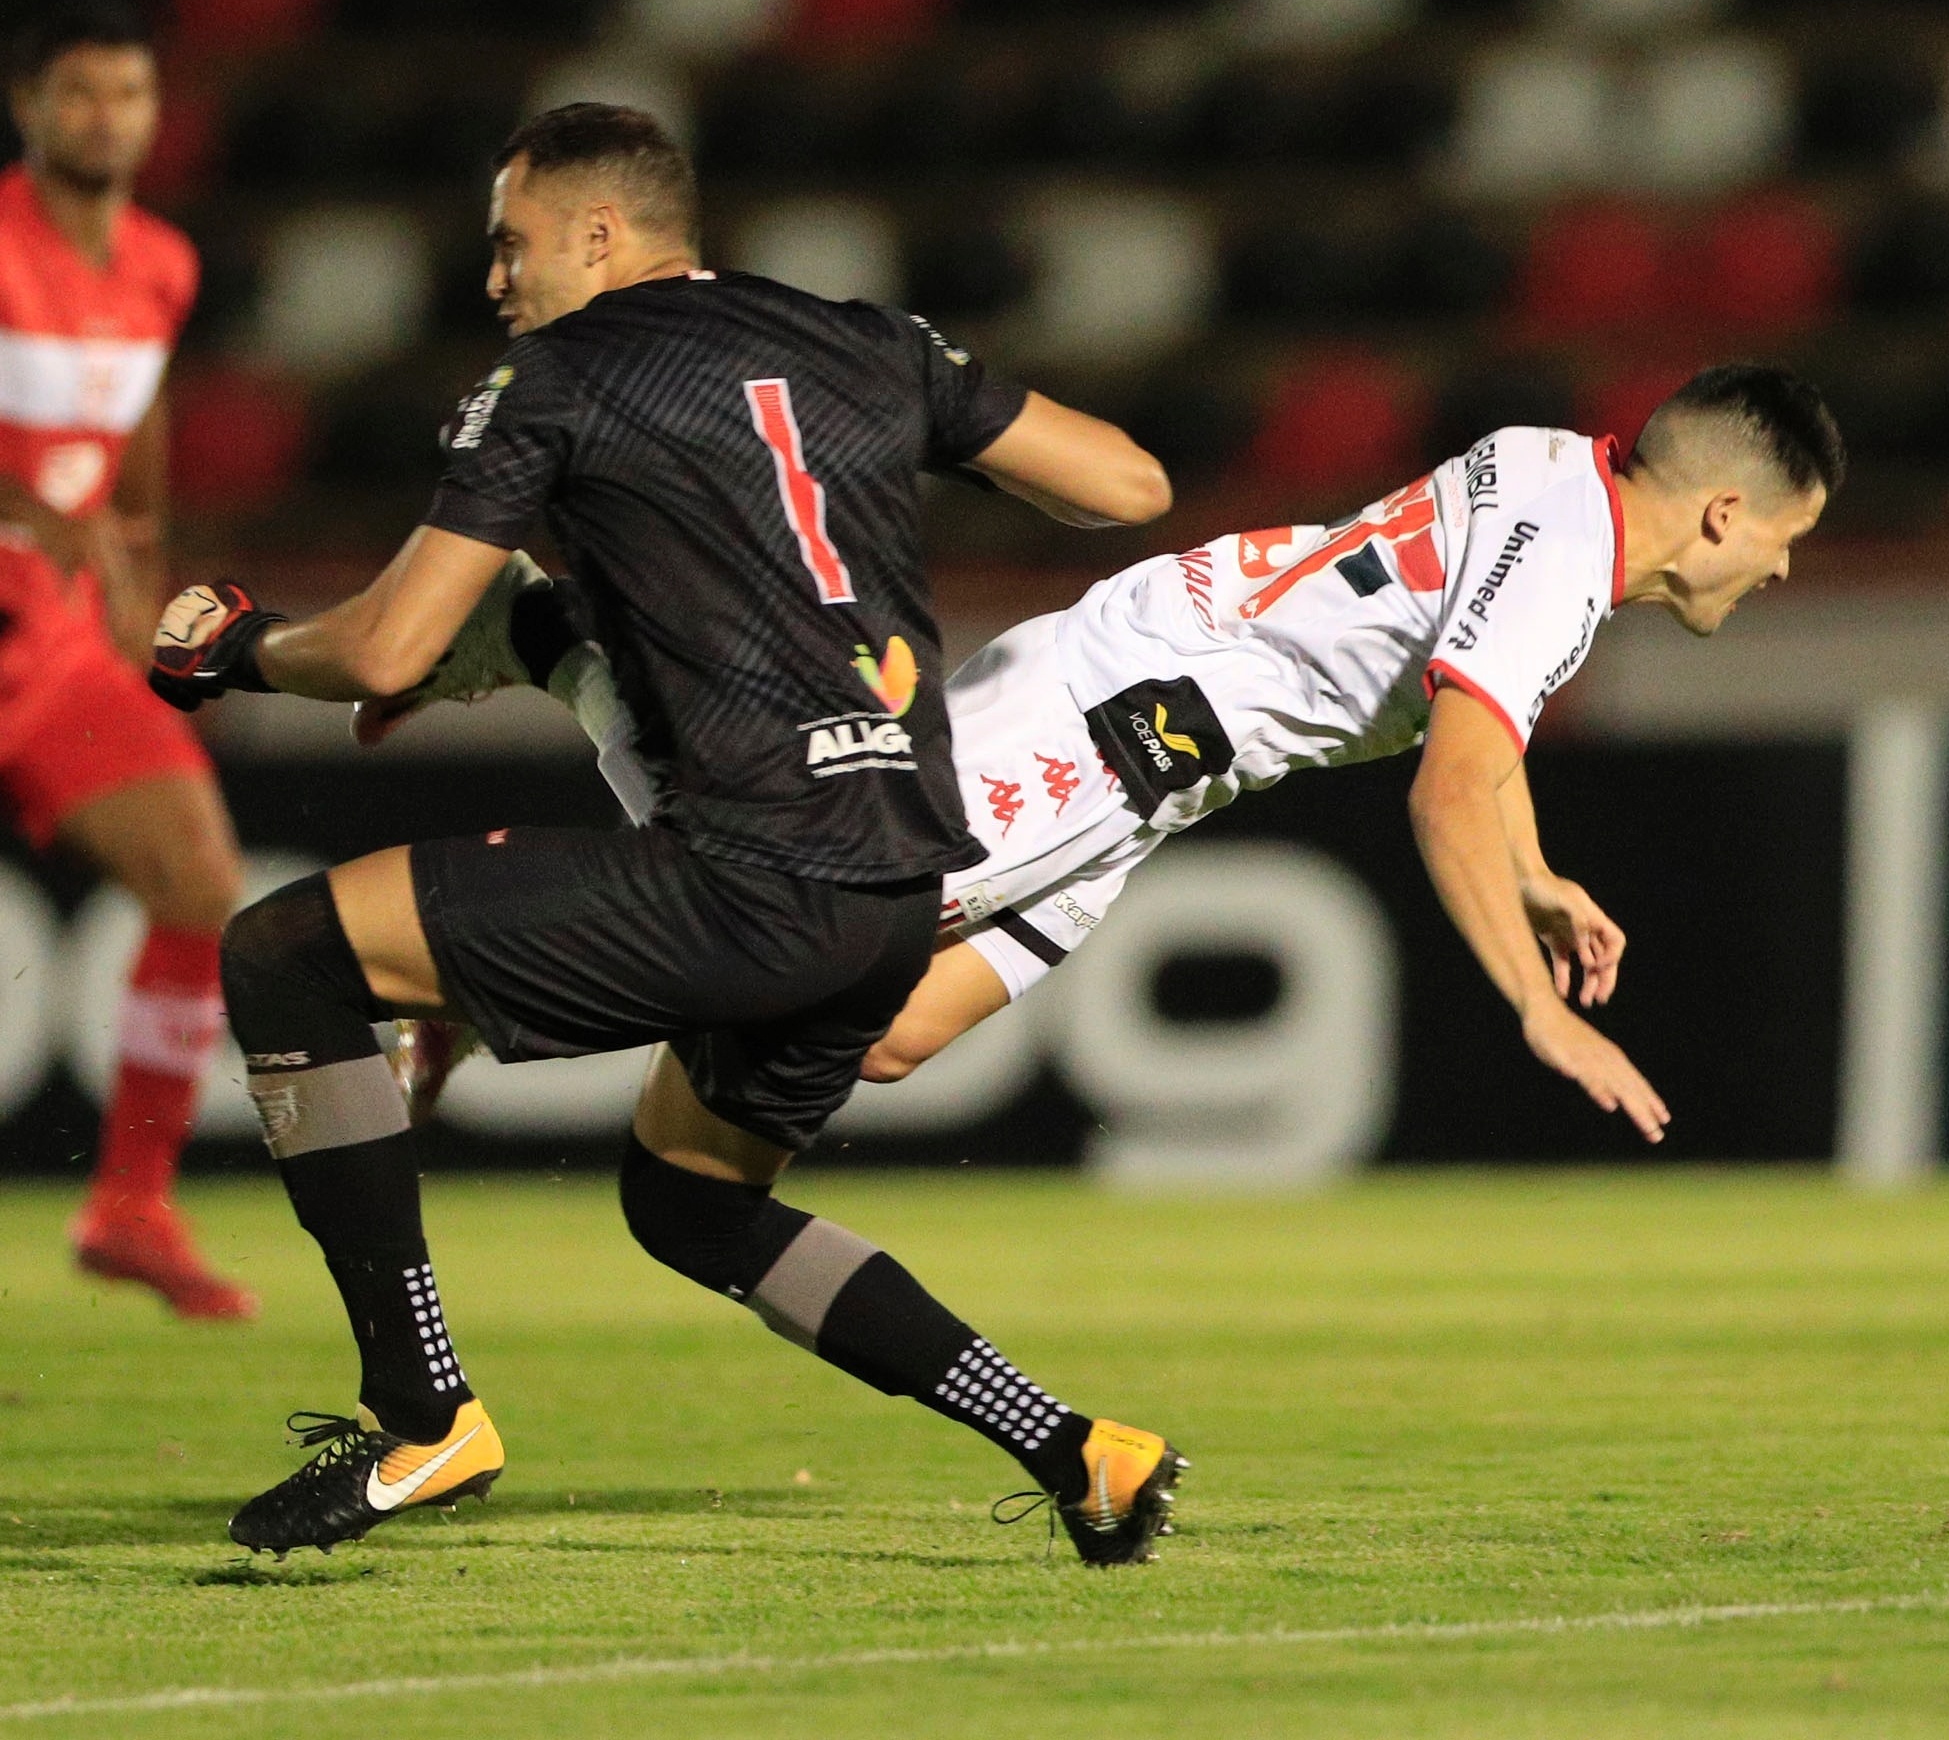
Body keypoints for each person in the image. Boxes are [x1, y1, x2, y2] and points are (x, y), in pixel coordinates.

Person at [148, 103, 1190, 1568]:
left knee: (285, 952)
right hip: (898, 884)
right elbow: (1129, 485)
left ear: (597, 233)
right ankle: (1078, 1449)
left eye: (511, 244)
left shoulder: (558, 374)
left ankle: (420, 1408)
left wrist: (239, 649)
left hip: (753, 872)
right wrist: (896, 442)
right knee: (691, 1200)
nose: (495, 279)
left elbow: (388, 648)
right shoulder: (867, 339)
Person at [423, 364, 1843, 1142]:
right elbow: (1451, 777)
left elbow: (1482, 721)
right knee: (789, 904)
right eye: (1790, 538)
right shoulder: (1570, 562)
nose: (1784, 575)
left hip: (1159, 755)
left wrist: (1529, 871)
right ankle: (554, 671)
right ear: (1723, 511)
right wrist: (1534, 1001)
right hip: (1119, 715)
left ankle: (562, 691)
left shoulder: (1561, 473)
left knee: (897, 1030)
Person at [0, 1, 254, 1320]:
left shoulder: (158, 262)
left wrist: (142, 584)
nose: (108, 118)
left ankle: (132, 1203)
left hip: (53, 645)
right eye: (82, 93)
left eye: (130, 94)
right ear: (28, 106)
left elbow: (135, 438)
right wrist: (41, 513)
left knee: (201, 878)